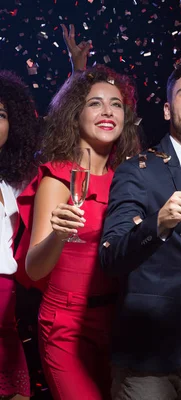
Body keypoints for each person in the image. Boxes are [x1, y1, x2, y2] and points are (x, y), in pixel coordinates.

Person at [99, 59, 181, 399]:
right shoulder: (137, 170)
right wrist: (160, 222)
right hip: (147, 356)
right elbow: (110, 257)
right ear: (169, 111)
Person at [15, 65, 140, 400]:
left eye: (115, 104)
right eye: (94, 103)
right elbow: (34, 268)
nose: (107, 111)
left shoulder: (129, 179)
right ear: (75, 115)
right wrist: (58, 234)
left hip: (118, 321)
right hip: (66, 325)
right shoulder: (58, 179)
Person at [0, 70, 41, 400]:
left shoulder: (11, 182)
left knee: (17, 393)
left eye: (0, 114)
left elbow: (63, 134)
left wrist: (77, 73)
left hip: (6, 307)